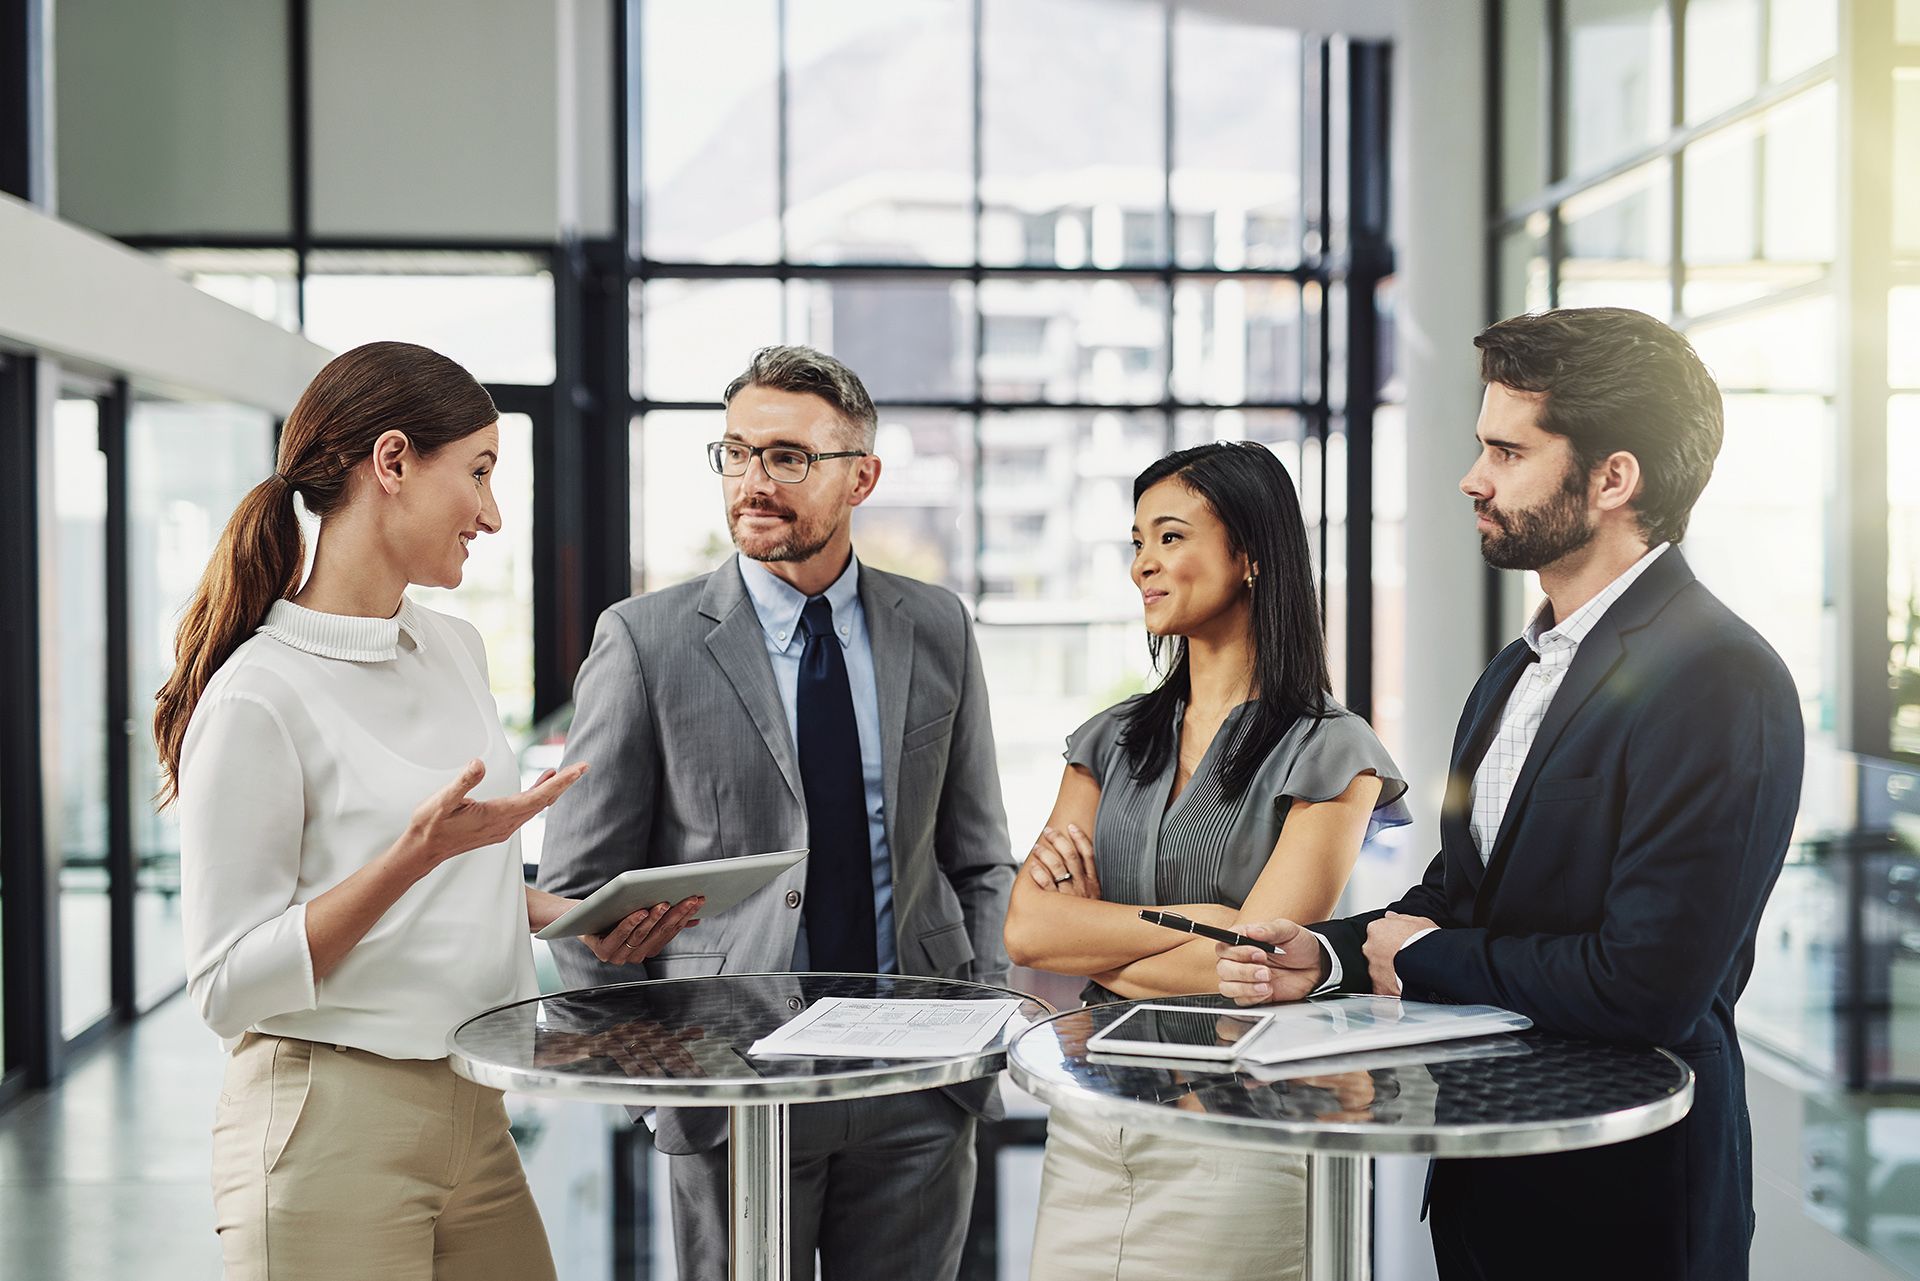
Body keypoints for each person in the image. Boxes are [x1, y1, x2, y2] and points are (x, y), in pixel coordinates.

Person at [1216, 307, 1805, 1281]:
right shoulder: (1517, 671)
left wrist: (1434, 957)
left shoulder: (1720, 678)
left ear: (1614, 478)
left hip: (1626, 1210)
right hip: (1494, 1187)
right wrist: (1322, 957)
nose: (1472, 477)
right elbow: (1459, 900)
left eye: (1506, 450)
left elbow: (1648, 987)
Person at [161, 342, 690, 1281]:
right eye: (479, 472)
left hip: (475, 1110)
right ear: (393, 463)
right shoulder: (257, 698)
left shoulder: (451, 649)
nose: (491, 513)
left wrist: (578, 919)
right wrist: (410, 857)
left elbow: (463, 869)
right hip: (328, 1124)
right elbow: (226, 985)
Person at [537, 344, 1015, 1281]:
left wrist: (981, 1015)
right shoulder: (644, 641)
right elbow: (574, 891)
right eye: (737, 453)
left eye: (789, 457)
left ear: (861, 476)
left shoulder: (938, 625)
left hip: (917, 1082)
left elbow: (978, 855)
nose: (755, 480)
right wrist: (654, 1073)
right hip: (731, 1079)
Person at [1004, 441, 1410, 1281]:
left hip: (1240, 1127)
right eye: (1137, 541)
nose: (1142, 564)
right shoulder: (1110, 740)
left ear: (1252, 555)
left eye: (1170, 536)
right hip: (1091, 1121)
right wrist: (1205, 928)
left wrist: (1106, 932)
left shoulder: (1334, 751)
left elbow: (1251, 964)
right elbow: (1029, 930)